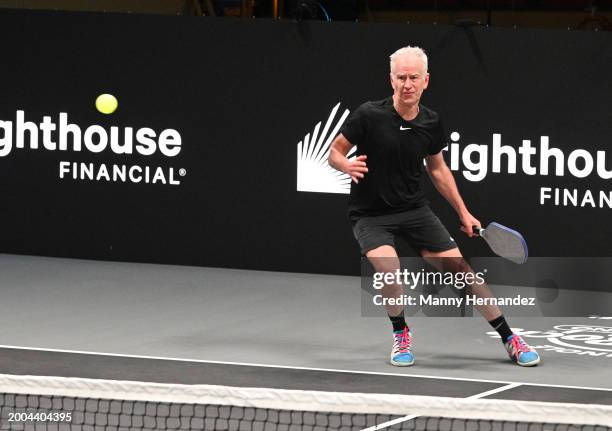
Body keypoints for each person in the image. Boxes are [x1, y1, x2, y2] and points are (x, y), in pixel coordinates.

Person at [328, 46, 540, 367]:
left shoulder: (431, 122)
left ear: (426, 80)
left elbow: (438, 169)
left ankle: (510, 337)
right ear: (391, 80)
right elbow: (335, 151)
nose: (407, 84)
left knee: (461, 273)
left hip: (414, 211)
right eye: (401, 77)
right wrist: (345, 166)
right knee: (389, 269)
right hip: (371, 215)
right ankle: (401, 334)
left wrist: (463, 213)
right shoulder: (368, 115)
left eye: (414, 77)